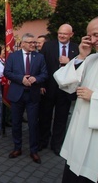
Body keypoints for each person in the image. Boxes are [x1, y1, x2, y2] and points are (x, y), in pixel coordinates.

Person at [54, 17, 98, 183]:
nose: (93, 41)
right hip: (79, 136)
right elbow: (64, 82)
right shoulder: (91, 59)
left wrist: (93, 97)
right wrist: (81, 55)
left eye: (96, 35)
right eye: (89, 36)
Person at [4, 33, 47, 164]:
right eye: (30, 42)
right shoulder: (13, 56)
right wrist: (21, 79)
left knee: (33, 124)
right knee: (16, 123)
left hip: (32, 95)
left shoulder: (39, 57)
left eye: (34, 42)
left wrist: (36, 79)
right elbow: (7, 72)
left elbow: (45, 74)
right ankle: (17, 148)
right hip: (17, 94)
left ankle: (34, 151)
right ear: (22, 44)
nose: (33, 44)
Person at [38, 24, 79, 155]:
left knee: (61, 119)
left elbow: (81, 69)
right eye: (60, 33)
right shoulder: (48, 46)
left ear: (71, 35)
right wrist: (41, 85)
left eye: (65, 34)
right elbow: (42, 66)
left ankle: (57, 145)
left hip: (65, 90)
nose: (61, 35)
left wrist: (70, 62)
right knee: (45, 116)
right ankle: (43, 141)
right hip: (49, 88)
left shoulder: (76, 49)